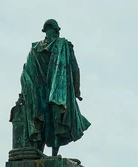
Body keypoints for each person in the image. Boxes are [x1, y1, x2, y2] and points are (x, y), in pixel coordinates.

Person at [15, 19, 90, 157]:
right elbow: (75, 69)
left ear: (46, 30)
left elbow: (25, 72)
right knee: (56, 121)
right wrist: (77, 90)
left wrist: (24, 94)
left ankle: (39, 152)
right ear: (56, 30)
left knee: (41, 118)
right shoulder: (63, 45)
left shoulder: (35, 49)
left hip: (39, 92)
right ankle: (53, 156)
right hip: (56, 92)